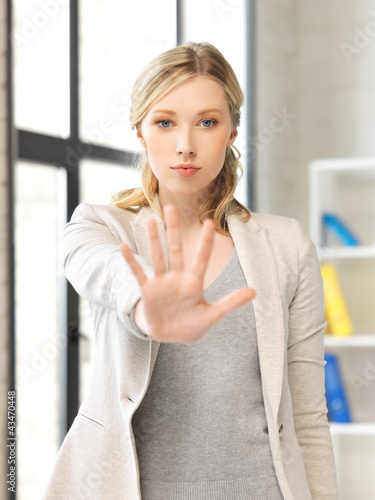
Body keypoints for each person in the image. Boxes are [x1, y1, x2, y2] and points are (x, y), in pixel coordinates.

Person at [43, 42, 339, 500]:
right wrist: (145, 304)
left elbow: (307, 416)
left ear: (233, 130)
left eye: (207, 122)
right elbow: (98, 269)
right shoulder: (99, 226)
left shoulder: (287, 246)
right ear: (139, 131)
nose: (185, 145)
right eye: (165, 122)